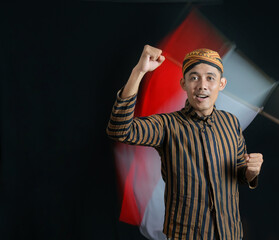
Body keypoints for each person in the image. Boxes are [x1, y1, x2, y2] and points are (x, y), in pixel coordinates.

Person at [106, 45, 263, 240]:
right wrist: (139, 71)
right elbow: (119, 130)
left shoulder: (231, 123)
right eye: (194, 77)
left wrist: (251, 172)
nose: (202, 85)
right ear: (183, 84)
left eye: (210, 78)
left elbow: (238, 172)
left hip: (230, 234)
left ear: (221, 84)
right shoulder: (166, 125)